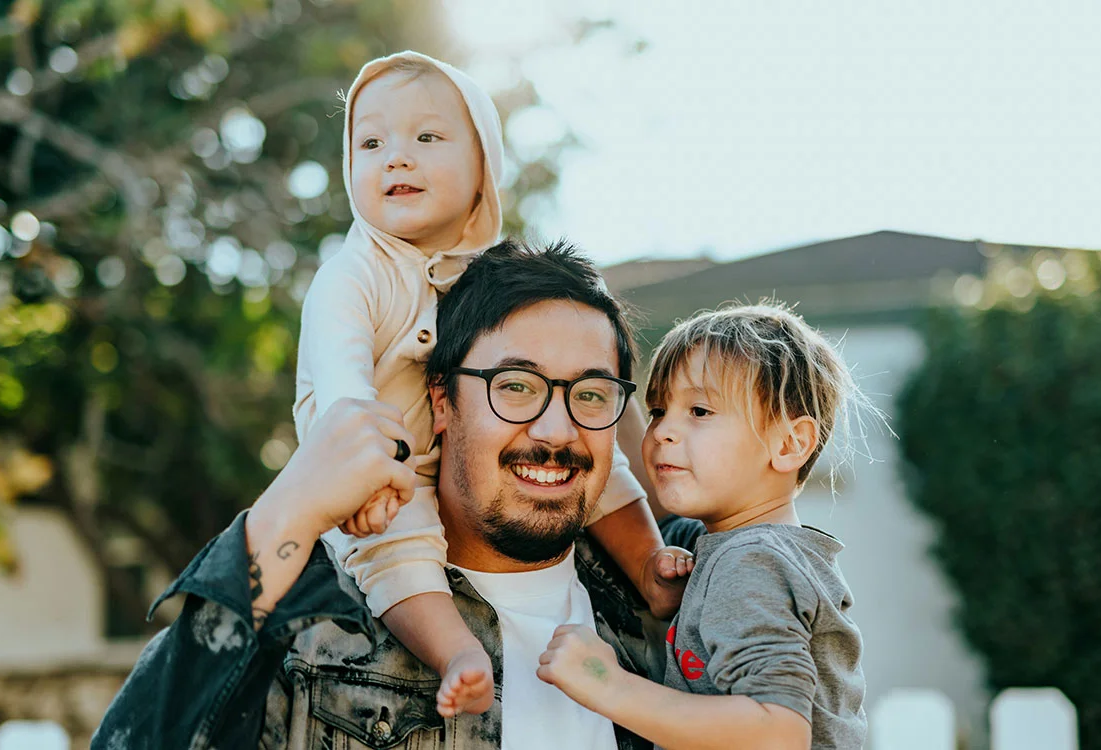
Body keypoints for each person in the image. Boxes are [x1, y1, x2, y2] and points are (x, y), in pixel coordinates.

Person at [93, 240, 695, 750]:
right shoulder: (316, 624)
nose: (557, 431)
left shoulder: (689, 595)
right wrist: (290, 507)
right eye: (515, 386)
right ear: (441, 401)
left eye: (590, 395)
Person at [293, 51, 688, 718]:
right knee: (396, 551)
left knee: (602, 464)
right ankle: (456, 652)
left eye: (426, 137)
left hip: (429, 460)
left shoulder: (490, 278)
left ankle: (649, 566)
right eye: (371, 144)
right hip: (377, 471)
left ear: (484, 169)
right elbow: (342, 388)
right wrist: (365, 476)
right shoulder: (353, 275)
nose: (396, 158)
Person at [538, 304, 872, 749]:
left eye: (699, 410)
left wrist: (607, 685)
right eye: (658, 410)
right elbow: (656, 517)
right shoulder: (727, 547)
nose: (663, 432)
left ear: (790, 444)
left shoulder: (750, 564)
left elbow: (779, 733)